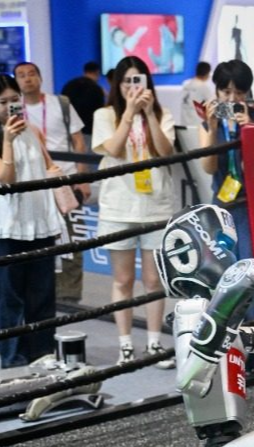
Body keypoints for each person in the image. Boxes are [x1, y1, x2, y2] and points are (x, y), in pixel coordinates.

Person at [92, 55, 177, 368]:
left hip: (155, 207)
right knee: (123, 279)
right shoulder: (104, 115)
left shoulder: (163, 113)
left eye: (137, 80)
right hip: (118, 207)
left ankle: (154, 343)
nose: (132, 86)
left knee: (154, 281)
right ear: (117, 84)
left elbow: (164, 152)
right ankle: (125, 345)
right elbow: (113, 149)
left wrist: (149, 114)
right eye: (127, 81)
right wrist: (129, 112)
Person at [0, 74, 62, 368]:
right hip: (8, 227)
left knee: (43, 295)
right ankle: (13, 360)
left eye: (15, 100)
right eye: (3, 102)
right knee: (10, 298)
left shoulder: (34, 131)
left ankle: (43, 354)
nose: (11, 106)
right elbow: (5, 178)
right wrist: (9, 140)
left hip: (40, 222)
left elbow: (50, 167)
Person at [14, 61, 90, 304]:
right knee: (34, 239)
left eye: (31, 74)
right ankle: (38, 291)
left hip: (64, 179)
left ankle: (69, 294)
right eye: (21, 75)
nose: (27, 79)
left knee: (72, 239)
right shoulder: (14, 109)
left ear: (40, 77)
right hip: (31, 183)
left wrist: (82, 178)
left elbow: (79, 142)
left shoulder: (61, 103)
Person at [199, 59, 254, 258]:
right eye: (226, 92)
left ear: (247, 93)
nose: (232, 99)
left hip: (250, 205)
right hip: (221, 205)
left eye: (239, 93)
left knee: (248, 261)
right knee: (223, 262)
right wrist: (213, 130)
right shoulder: (208, 124)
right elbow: (209, 168)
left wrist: (250, 130)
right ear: (217, 91)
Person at [62, 61, 107, 151]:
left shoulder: (69, 85)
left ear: (84, 71)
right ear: (97, 73)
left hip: (70, 131)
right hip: (89, 132)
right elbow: (99, 111)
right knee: (88, 157)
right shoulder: (96, 89)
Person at [180, 61, 214, 127]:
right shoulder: (203, 87)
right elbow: (212, 104)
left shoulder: (187, 85)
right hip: (196, 125)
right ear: (207, 73)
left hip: (184, 124)